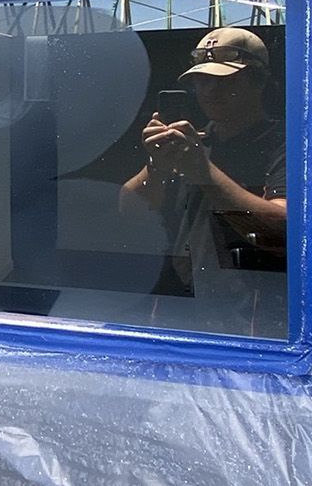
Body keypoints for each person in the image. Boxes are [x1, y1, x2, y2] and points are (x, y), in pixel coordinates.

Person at [119, 27, 287, 328]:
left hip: (252, 315)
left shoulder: (284, 142)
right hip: (184, 308)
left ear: (258, 81)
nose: (210, 91)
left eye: (225, 80)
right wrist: (156, 165)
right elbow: (129, 212)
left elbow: (281, 229)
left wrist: (204, 172)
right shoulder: (193, 143)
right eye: (203, 80)